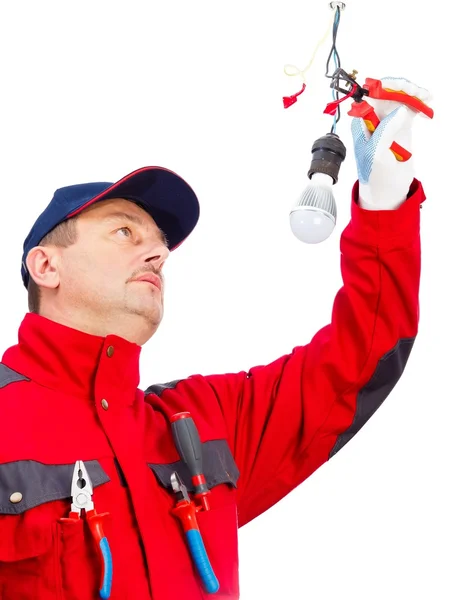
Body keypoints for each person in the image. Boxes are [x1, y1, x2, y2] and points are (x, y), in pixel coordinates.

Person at [0, 77, 431, 600]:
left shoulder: (207, 423)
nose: (157, 254)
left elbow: (361, 357)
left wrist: (384, 202)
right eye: (124, 232)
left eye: (160, 244)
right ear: (46, 265)